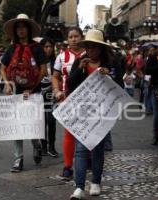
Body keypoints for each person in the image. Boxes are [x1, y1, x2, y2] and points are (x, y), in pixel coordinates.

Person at [67, 29, 116, 199]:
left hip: (102, 113)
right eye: (88, 47)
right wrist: (79, 69)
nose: (91, 50)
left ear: (101, 48)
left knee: (97, 149)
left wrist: (109, 75)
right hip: (82, 112)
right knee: (80, 149)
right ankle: (79, 187)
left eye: (94, 47)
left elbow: (120, 88)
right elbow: (71, 86)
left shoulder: (110, 64)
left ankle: (95, 181)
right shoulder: (79, 62)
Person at [0, 14, 47, 172]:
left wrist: (32, 88)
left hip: (33, 92)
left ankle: (36, 145)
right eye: (18, 27)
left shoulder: (37, 48)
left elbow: (43, 69)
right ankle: (18, 158)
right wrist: (7, 84)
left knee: (31, 125)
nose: (21, 30)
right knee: (16, 126)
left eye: (23, 26)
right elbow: (2, 67)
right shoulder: (12, 48)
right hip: (15, 93)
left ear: (28, 29)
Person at [52, 27, 84, 180]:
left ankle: (88, 161)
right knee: (69, 132)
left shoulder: (89, 54)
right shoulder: (61, 56)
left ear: (81, 37)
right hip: (68, 98)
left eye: (76, 36)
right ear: (67, 39)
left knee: (87, 132)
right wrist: (57, 90)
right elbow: (55, 76)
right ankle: (67, 167)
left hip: (88, 99)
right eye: (70, 37)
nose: (73, 39)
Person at [39, 38, 58, 157]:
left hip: (52, 93)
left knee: (51, 120)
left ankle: (52, 146)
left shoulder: (56, 61)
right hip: (39, 93)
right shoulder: (37, 61)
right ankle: (43, 146)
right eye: (45, 47)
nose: (48, 49)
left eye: (50, 46)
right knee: (42, 121)